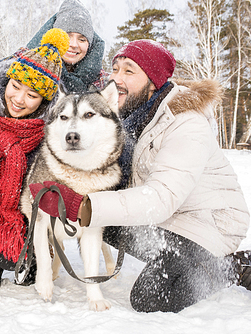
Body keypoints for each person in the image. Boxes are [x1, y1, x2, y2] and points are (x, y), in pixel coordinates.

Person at [30, 39, 251, 313]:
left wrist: (84, 205)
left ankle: (232, 267)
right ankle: (175, 259)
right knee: (101, 224)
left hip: (207, 224)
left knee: (150, 299)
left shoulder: (186, 124)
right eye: (115, 69)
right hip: (168, 219)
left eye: (129, 71)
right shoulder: (129, 117)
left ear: (153, 82)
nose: (116, 79)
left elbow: (161, 197)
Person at [0, 28, 69, 290]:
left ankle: (33, 256)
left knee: (42, 198)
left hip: (29, 206)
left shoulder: (52, 129)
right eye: (15, 87)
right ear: (6, 81)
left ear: (44, 101)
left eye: (31, 95)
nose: (18, 99)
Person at [0, 0, 107, 113]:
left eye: (82, 39)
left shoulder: (100, 83)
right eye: (67, 36)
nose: (73, 44)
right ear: (54, 35)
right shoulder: (26, 60)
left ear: (90, 44)